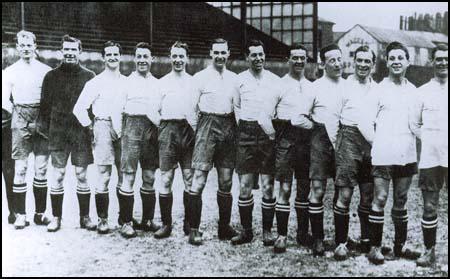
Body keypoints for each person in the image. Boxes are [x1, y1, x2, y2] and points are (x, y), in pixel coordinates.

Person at [367, 41, 421, 264]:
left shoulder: (414, 91)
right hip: (383, 154)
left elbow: (417, 125)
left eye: (401, 58)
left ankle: (400, 246)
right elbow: (366, 122)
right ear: (386, 62)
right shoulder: (378, 89)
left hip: (406, 153)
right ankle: (374, 247)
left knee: (401, 199)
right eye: (392, 58)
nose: (396, 62)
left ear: (408, 61)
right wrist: (377, 144)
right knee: (380, 198)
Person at [39, 35, 96, 232]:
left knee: (81, 174)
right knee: (58, 174)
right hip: (58, 132)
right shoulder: (51, 76)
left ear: (80, 52)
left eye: (74, 50)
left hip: (80, 133)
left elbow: (93, 109)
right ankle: (56, 218)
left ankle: (85, 217)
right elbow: (44, 108)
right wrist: (50, 133)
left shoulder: (89, 76)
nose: (70, 53)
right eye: (67, 50)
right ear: (61, 51)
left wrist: (91, 130)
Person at [292, 44, 345, 256]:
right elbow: (297, 118)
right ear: (323, 64)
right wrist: (315, 128)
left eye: (340, 59)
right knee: (318, 190)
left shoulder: (349, 85)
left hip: (343, 140)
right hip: (320, 142)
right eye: (332, 60)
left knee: (343, 191)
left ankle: (342, 239)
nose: (337, 64)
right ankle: (318, 239)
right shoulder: (314, 87)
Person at [187, 38, 239, 245]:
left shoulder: (235, 79)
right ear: (210, 53)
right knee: (198, 178)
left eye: (223, 52)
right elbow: (190, 109)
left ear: (228, 54)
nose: (219, 56)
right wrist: (200, 130)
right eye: (216, 52)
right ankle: (194, 229)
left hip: (228, 126)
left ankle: (224, 227)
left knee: (226, 180)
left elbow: (239, 107)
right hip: (206, 125)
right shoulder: (199, 78)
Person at [73, 41, 126, 235]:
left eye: (115, 54)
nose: (112, 57)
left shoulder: (127, 82)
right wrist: (91, 126)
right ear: (104, 58)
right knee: (104, 174)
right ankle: (103, 219)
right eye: (109, 54)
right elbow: (79, 109)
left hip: (123, 127)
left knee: (125, 174)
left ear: (120, 56)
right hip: (102, 126)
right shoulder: (95, 82)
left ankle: (125, 219)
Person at [231, 40, 280, 246]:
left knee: (268, 185)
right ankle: (247, 231)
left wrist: (271, 132)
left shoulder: (275, 80)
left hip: (267, 134)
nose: (258, 58)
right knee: (244, 185)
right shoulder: (239, 80)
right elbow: (236, 107)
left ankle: (268, 231)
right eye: (253, 55)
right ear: (246, 58)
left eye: (261, 54)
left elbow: (277, 108)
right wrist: (244, 130)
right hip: (246, 132)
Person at [331, 45, 378, 260]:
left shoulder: (377, 88)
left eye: (367, 61)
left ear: (373, 65)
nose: (363, 65)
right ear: (354, 61)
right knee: (346, 194)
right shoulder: (344, 86)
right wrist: (338, 144)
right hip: (348, 138)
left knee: (368, 193)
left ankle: (366, 240)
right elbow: (333, 118)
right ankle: (341, 242)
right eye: (359, 60)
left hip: (370, 142)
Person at [3, 30, 52, 229]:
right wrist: (16, 114)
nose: (25, 48)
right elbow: (5, 100)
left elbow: (49, 98)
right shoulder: (10, 71)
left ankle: (40, 213)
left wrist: (43, 117)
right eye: (21, 45)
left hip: (40, 117)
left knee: (41, 167)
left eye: (29, 45)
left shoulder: (45, 70)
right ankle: (21, 214)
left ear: (35, 46)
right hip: (19, 117)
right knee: (20, 167)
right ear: (17, 48)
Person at [272, 43, 313, 253]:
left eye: (302, 58)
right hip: (285, 138)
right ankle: (281, 235)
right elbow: (267, 115)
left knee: (304, 188)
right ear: (288, 60)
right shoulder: (279, 85)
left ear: (307, 60)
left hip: (306, 141)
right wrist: (278, 138)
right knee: (285, 188)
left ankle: (303, 233)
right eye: (294, 57)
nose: (298, 61)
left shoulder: (311, 86)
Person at [154, 41, 197, 239]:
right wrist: (163, 128)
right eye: (175, 56)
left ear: (187, 58)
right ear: (170, 57)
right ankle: (166, 224)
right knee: (166, 178)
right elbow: (151, 110)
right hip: (168, 131)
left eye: (182, 56)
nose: (178, 60)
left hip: (188, 131)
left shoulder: (194, 82)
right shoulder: (162, 82)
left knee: (189, 178)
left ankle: (189, 225)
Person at [118, 42, 161, 236]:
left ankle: (147, 219)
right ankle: (126, 221)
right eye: (139, 57)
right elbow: (116, 110)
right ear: (135, 59)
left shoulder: (157, 83)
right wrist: (121, 133)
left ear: (151, 59)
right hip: (131, 129)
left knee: (149, 176)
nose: (143, 60)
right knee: (128, 175)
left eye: (146, 57)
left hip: (151, 130)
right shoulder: (126, 82)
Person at [413, 44, 448, 267]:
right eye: (439, 59)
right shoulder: (422, 91)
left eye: (447, 59)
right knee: (429, 206)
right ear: (431, 62)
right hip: (431, 157)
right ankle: (429, 250)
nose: (443, 63)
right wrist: (430, 140)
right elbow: (414, 124)